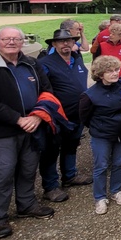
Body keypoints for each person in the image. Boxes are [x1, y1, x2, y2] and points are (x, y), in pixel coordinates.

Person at [0, 27, 56, 239]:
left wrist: (37, 117)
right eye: (6, 39)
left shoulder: (32, 64)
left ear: (22, 42)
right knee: (3, 173)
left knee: (28, 168)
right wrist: (18, 119)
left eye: (16, 39)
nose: (11, 42)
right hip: (3, 132)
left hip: (33, 127)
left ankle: (26, 205)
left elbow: (47, 91)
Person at [38, 28, 92, 203]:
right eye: (62, 41)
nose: (66, 44)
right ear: (54, 44)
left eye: (69, 41)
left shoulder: (77, 59)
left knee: (72, 145)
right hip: (57, 115)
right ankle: (50, 185)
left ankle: (70, 175)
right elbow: (42, 89)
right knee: (51, 150)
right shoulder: (46, 62)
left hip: (77, 113)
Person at [79, 56, 121, 214]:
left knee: (118, 162)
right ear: (100, 74)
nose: (115, 73)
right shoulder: (89, 95)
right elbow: (84, 117)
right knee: (101, 166)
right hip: (102, 134)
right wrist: (100, 127)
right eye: (109, 71)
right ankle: (100, 197)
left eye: (116, 70)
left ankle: (116, 190)